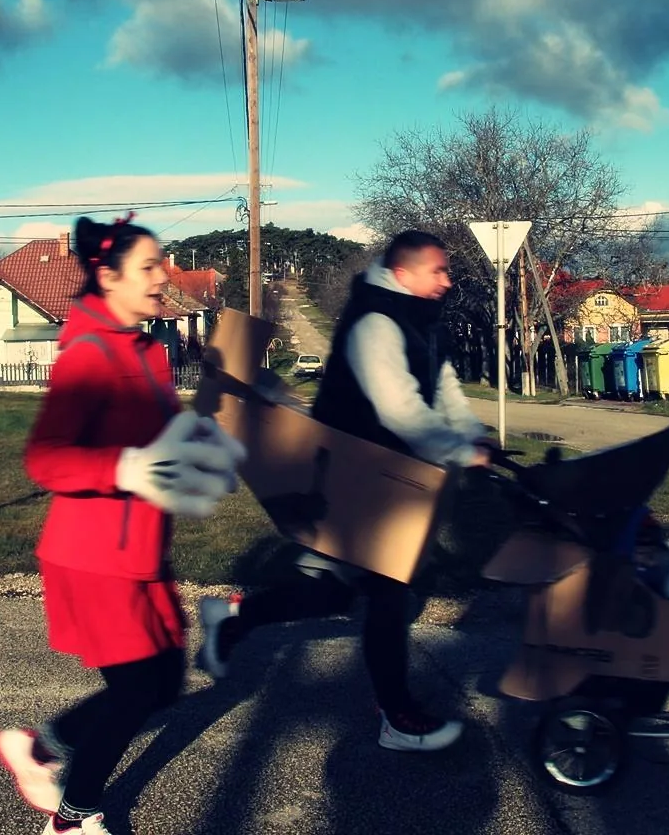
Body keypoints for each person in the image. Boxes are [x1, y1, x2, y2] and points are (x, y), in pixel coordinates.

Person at [0, 214, 246, 835]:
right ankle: (73, 817)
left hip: (142, 549)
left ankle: (39, 746)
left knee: (163, 683)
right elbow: (45, 458)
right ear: (109, 277)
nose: (164, 278)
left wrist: (203, 452)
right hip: (93, 554)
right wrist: (128, 467)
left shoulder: (147, 349)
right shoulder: (88, 353)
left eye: (163, 264)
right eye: (149, 267)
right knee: (135, 690)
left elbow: (155, 439)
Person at [196, 229, 491, 752]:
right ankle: (397, 717)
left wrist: (473, 434)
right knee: (389, 593)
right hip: (351, 476)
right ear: (403, 274)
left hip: (382, 480)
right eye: (438, 271)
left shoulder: (423, 321)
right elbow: (398, 407)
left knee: (334, 592)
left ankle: (235, 619)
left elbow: (444, 391)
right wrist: (457, 450)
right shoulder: (376, 323)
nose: (447, 281)